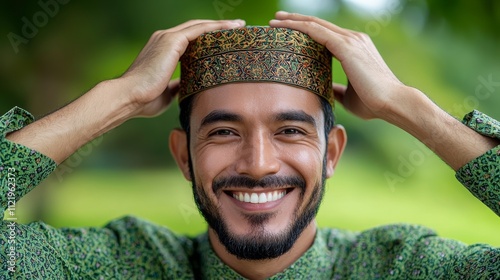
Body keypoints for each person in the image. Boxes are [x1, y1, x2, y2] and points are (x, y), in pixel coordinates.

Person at [1, 11, 498, 279]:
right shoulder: (122, 265)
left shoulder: (403, 268)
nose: (258, 165)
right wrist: (117, 97)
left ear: (332, 154)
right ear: (182, 156)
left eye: (291, 131)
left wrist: (408, 108)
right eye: (222, 132)